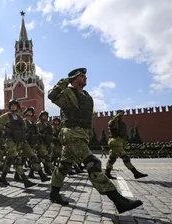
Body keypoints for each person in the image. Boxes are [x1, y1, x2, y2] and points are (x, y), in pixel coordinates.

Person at [47, 68, 143, 214]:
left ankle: (54, 193)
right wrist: (66, 81)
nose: (86, 78)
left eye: (85, 75)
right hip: (72, 134)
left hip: (82, 135)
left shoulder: (87, 96)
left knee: (64, 165)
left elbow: (87, 119)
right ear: (74, 78)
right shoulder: (67, 93)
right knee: (93, 163)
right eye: (82, 76)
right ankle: (118, 200)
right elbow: (51, 95)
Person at [105, 110, 147, 179]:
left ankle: (107, 173)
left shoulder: (121, 122)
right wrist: (116, 117)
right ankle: (135, 173)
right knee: (125, 158)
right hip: (115, 142)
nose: (122, 116)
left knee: (112, 159)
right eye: (120, 115)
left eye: (122, 115)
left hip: (119, 142)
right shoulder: (113, 121)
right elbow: (110, 124)